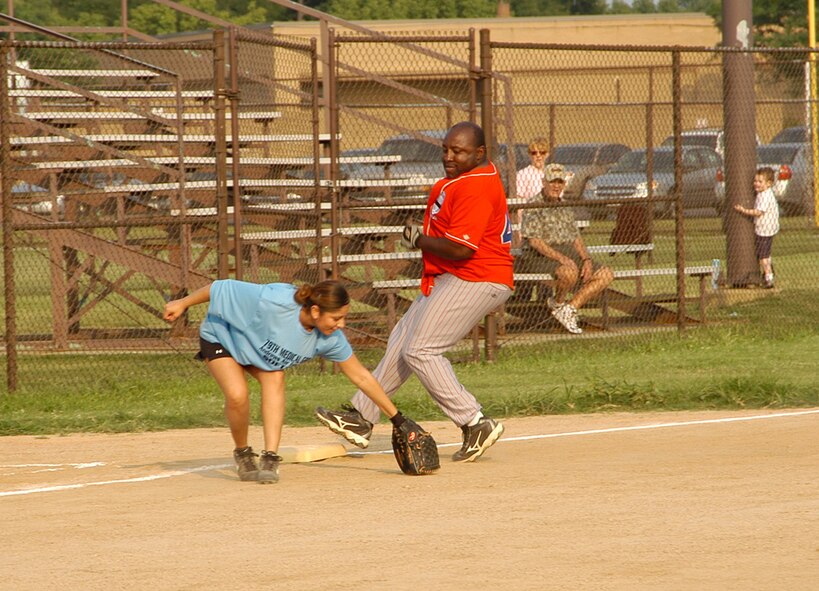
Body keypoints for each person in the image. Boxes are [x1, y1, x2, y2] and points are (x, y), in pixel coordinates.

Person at [315, 121, 514, 463]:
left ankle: (473, 421)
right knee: (402, 340)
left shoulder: (475, 188)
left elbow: (462, 249)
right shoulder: (470, 178)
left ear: (480, 153)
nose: (449, 156)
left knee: (422, 348)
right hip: (458, 275)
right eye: (446, 149)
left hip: (478, 276)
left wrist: (418, 239)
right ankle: (362, 417)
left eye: (459, 151)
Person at [163, 279, 412, 483]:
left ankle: (270, 457)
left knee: (275, 378)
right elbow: (219, 287)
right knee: (237, 395)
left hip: (259, 356)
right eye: (336, 318)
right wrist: (182, 303)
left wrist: (397, 418)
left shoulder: (330, 339)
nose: (341, 324)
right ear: (315, 311)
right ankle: (243, 452)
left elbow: (361, 376)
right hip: (223, 337)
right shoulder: (275, 302)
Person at [518, 163, 614, 334]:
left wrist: (586, 259)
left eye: (559, 182)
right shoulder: (534, 205)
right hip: (540, 257)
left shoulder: (565, 206)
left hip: (567, 253)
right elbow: (535, 242)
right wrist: (562, 259)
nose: (556, 186)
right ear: (544, 182)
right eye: (552, 181)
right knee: (569, 272)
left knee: (606, 274)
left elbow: (575, 237)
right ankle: (559, 302)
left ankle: (568, 308)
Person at [734, 166, 780, 289]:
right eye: (755, 181)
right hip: (767, 228)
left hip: (765, 230)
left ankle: (769, 277)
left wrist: (744, 210)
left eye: (760, 182)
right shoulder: (763, 193)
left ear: (769, 183)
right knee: (765, 254)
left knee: (762, 257)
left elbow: (759, 212)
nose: (756, 184)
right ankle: (768, 270)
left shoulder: (765, 196)